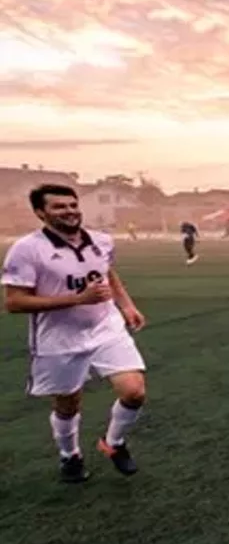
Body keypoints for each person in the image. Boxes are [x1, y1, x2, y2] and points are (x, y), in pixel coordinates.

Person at [1, 185, 149, 482]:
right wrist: (77, 299)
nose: (69, 211)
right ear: (40, 213)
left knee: (134, 391)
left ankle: (114, 443)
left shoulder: (101, 240)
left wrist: (126, 306)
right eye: (58, 207)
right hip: (60, 337)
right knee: (68, 404)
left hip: (105, 328)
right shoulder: (27, 249)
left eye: (72, 205)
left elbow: (107, 273)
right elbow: (14, 302)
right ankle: (70, 455)